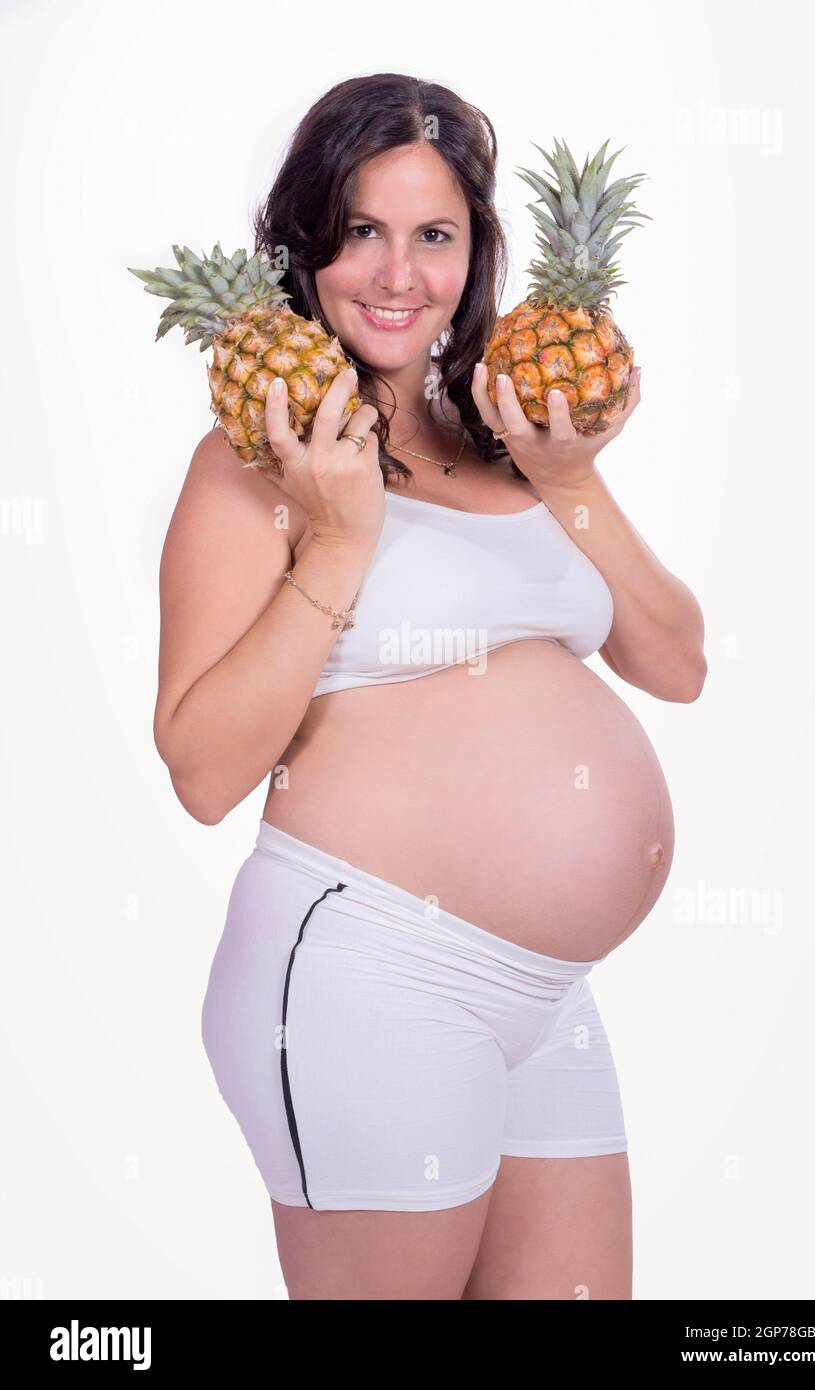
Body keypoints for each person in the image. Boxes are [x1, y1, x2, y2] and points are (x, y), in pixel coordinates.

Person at [154, 73, 706, 1300]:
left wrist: (572, 478)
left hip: (544, 995)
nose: (396, 274)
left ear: (475, 251)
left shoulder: (510, 432)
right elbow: (200, 768)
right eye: (360, 231)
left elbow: (678, 662)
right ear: (305, 245)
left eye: (434, 235)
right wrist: (341, 541)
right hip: (365, 970)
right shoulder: (259, 460)